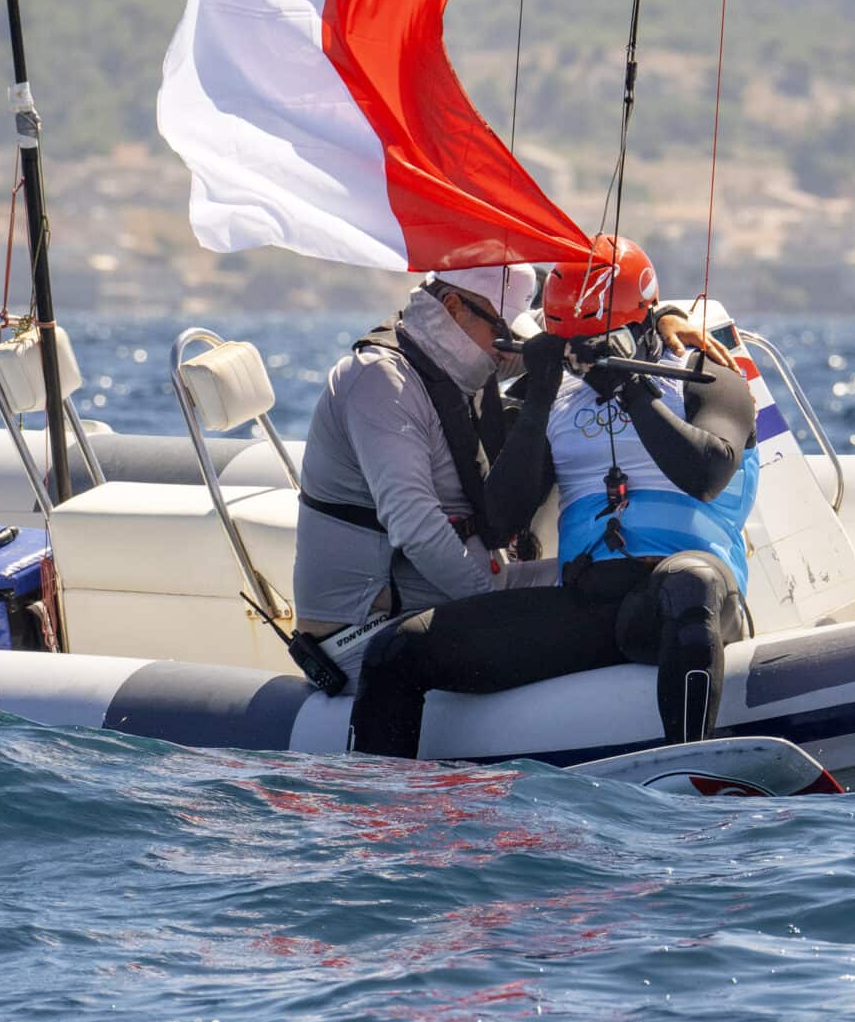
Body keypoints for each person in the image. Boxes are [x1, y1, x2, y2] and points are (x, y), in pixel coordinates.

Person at [348, 235, 759, 757]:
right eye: (573, 344)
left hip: (687, 599)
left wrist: (630, 390)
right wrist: (540, 394)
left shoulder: (705, 378)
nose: (584, 360)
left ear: (642, 322)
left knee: (688, 583)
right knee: (396, 650)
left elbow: (706, 474)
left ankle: (693, 770)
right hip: (593, 605)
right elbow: (501, 519)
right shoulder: (557, 400)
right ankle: (379, 810)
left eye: (600, 340)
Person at [291, 264, 550, 638]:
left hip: (458, 587)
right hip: (366, 629)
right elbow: (417, 527)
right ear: (453, 306)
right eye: (502, 331)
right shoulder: (380, 381)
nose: (506, 347)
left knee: (598, 585)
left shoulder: (459, 353)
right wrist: (496, 609)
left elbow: (549, 339)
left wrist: (658, 319)